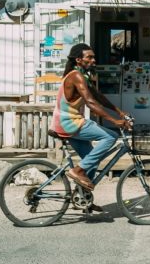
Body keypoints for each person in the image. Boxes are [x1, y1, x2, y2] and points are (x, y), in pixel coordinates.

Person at [51, 43, 131, 197]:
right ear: (79, 60)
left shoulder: (83, 75)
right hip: (69, 123)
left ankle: (83, 198)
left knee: (91, 162)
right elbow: (91, 102)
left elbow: (98, 96)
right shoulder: (75, 76)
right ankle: (77, 171)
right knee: (111, 136)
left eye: (93, 57)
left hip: (69, 123)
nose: (94, 60)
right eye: (90, 57)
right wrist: (114, 121)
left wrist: (119, 112)